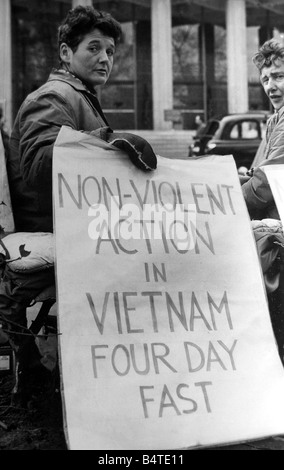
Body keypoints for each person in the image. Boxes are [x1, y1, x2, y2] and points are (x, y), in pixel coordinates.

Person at [0, 5, 157, 403]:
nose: (105, 58)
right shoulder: (54, 96)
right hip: (59, 228)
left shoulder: (77, 95)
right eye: (94, 48)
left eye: (109, 50)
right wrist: (107, 141)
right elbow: (38, 168)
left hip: (81, 224)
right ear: (66, 53)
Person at [242, 39, 284, 220]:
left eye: (279, 77)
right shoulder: (275, 119)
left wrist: (225, 197)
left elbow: (267, 182)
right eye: (265, 79)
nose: (270, 87)